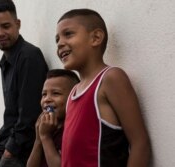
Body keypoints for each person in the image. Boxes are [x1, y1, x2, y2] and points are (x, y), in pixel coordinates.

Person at [55, 9, 151, 167]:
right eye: (57, 39)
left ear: (96, 38)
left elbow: (140, 144)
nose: (60, 43)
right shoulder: (73, 92)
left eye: (68, 34)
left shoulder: (110, 79)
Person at [0, 0, 48, 166]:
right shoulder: (5, 62)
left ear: (17, 24)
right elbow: (11, 114)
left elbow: (29, 115)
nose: (0, 33)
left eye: (6, 26)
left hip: (25, 152)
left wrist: (9, 151)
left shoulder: (29, 57)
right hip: (10, 146)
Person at [27, 69, 80, 167]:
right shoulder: (48, 128)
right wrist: (38, 139)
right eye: (44, 94)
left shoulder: (74, 129)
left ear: (73, 97)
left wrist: (46, 137)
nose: (47, 99)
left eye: (56, 93)